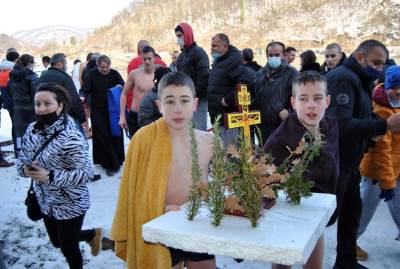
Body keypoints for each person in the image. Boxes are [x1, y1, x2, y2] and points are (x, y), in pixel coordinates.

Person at [111, 72, 216, 269]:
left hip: (198, 225)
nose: (177, 109)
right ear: (159, 106)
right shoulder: (144, 140)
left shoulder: (209, 142)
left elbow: (222, 184)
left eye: (184, 101)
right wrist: (160, 210)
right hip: (160, 226)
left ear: (194, 104)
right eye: (169, 101)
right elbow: (133, 191)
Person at [326, 39, 400, 269]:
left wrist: (372, 130)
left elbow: (358, 117)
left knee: (351, 213)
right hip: (336, 161)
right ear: (359, 57)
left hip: (351, 160)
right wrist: (384, 126)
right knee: (326, 217)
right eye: (375, 62)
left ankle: (346, 261)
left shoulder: (359, 79)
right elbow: (340, 124)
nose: (379, 69)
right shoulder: (343, 78)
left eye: (381, 65)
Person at [16, 83, 102, 269]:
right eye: (38, 104)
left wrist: (50, 176)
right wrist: (25, 169)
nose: (42, 108)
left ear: (60, 105)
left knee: (69, 248)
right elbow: (22, 157)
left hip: (70, 202)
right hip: (45, 199)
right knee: (57, 242)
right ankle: (90, 235)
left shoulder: (71, 137)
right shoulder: (32, 129)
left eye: (47, 103)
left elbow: (86, 173)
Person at [265, 71, 338, 269]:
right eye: (303, 98)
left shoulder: (330, 126)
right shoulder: (280, 139)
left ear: (328, 101)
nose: (311, 104)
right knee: (283, 262)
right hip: (286, 213)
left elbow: (334, 165)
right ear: (293, 102)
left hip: (317, 213)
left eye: (317, 98)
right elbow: (262, 175)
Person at [355, 65, 400, 260]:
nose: (398, 91)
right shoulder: (382, 110)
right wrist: (387, 183)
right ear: (387, 85)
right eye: (395, 86)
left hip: (397, 169)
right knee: (364, 210)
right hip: (376, 171)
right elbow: (382, 152)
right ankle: (350, 241)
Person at [207, 33, 254, 147]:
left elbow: (246, 81)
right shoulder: (220, 61)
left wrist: (228, 99)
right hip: (218, 118)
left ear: (225, 46)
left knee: (230, 155)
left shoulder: (232, 61)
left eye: (215, 46)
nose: (211, 49)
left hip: (227, 119)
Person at [82, 54, 125, 176]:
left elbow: (123, 85)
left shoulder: (115, 73)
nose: (105, 69)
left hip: (112, 111)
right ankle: (109, 164)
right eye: (102, 67)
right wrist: (82, 97)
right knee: (102, 136)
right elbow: (85, 89)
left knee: (114, 135)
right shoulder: (91, 75)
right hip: (98, 111)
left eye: (107, 67)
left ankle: (117, 159)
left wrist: (119, 86)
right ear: (98, 66)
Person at [253, 41, 298, 143]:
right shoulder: (260, 74)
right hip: (261, 125)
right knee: (263, 154)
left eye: (277, 55)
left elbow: (299, 97)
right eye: (271, 55)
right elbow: (254, 94)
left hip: (281, 124)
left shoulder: (292, 73)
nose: (274, 57)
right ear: (267, 56)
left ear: (283, 55)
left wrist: (290, 111)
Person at [34, 53, 86, 129]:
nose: (66, 66)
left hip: (46, 118)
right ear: (60, 64)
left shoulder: (41, 78)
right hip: (65, 118)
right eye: (65, 63)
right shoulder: (64, 77)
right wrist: (82, 117)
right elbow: (74, 99)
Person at [175, 23, 210, 131]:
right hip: (185, 100)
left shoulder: (199, 53)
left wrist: (194, 97)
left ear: (187, 34)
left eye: (180, 35)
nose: (179, 39)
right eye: (177, 36)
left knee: (199, 133)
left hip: (198, 100)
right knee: (188, 134)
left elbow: (204, 77)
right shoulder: (181, 56)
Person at [119, 46, 156, 137]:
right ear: (141, 59)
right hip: (135, 115)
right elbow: (124, 94)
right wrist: (122, 116)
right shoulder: (134, 74)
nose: (147, 61)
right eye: (144, 59)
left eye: (149, 59)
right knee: (136, 148)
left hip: (152, 117)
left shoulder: (159, 75)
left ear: (154, 58)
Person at [8, 54, 38, 156]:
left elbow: (9, 93)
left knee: (19, 136)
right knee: (32, 137)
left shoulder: (11, 77)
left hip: (17, 111)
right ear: (29, 64)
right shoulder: (31, 77)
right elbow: (36, 96)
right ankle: (33, 158)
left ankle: (20, 155)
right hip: (31, 113)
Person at [0, 48, 19, 155]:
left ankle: (17, 149)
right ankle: (18, 149)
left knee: (14, 125)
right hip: (15, 103)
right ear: (16, 59)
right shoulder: (13, 71)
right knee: (18, 127)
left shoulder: (2, 71)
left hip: (7, 103)